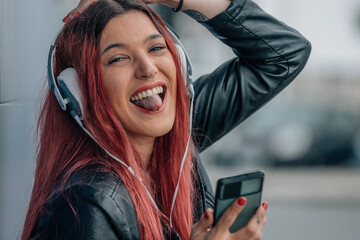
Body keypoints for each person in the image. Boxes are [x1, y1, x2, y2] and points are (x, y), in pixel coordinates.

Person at [22, 0, 311, 239]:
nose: (148, 69)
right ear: (78, 93)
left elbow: (283, 56)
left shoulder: (177, 130)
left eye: (156, 48)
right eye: (119, 58)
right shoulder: (84, 204)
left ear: (180, 63)